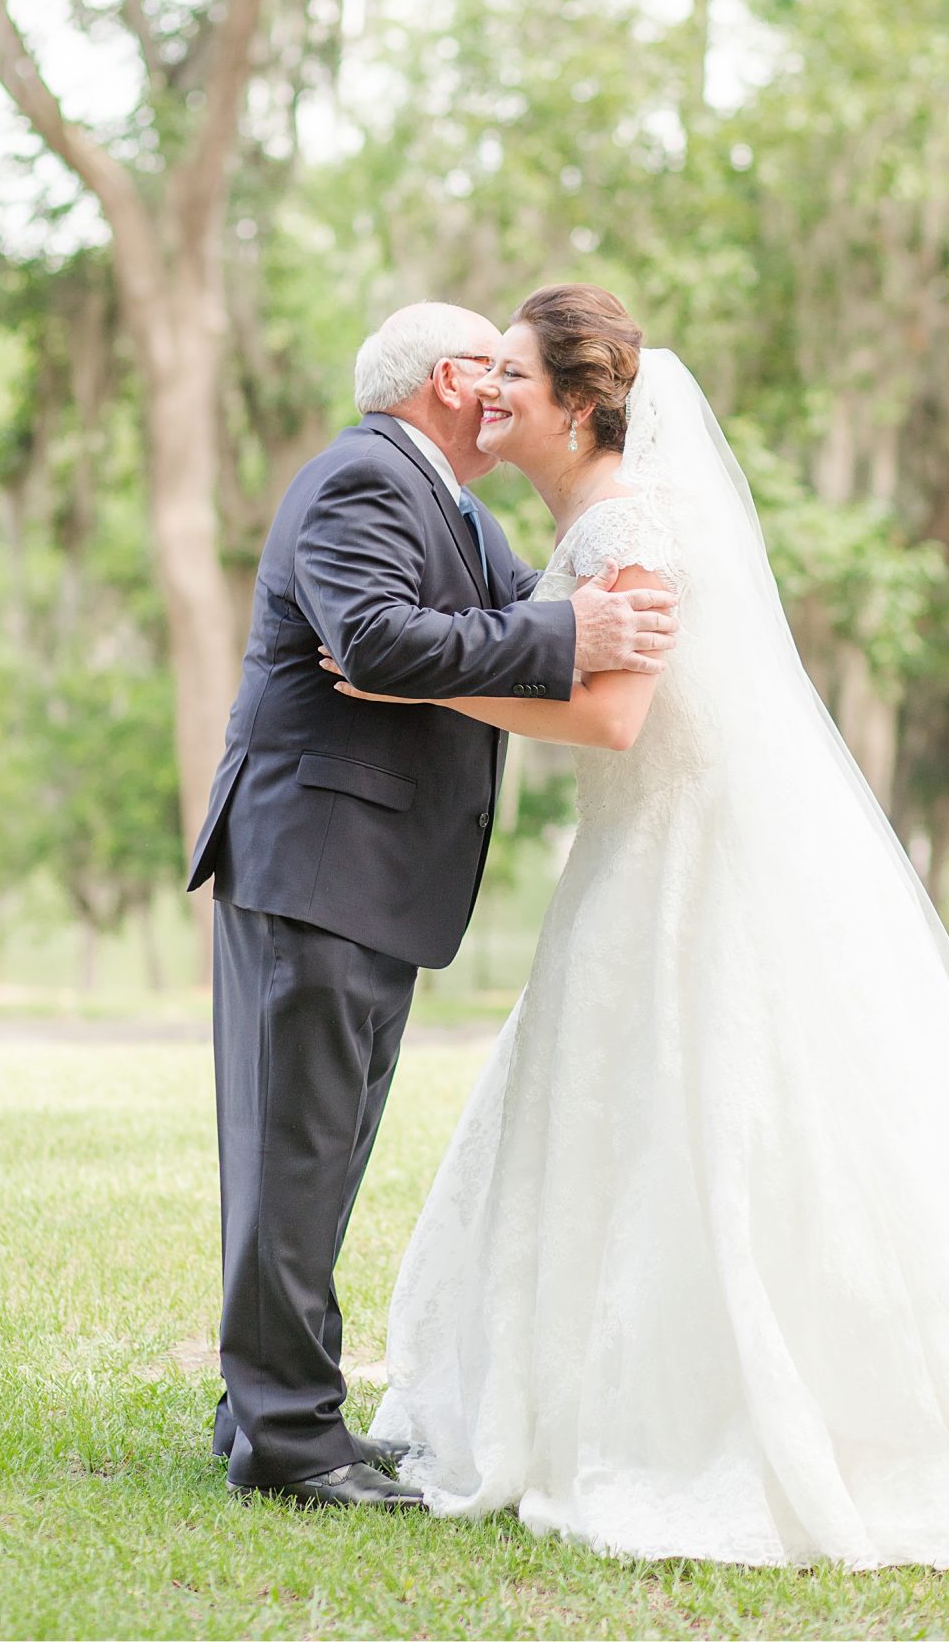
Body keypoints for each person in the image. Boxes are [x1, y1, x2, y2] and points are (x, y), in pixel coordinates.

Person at [327, 283, 949, 1568]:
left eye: (512, 373)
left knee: (715, 1116)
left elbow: (613, 720)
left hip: (687, 856)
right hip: (639, 849)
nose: (489, 391)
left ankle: (733, 1421)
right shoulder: (589, 513)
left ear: (579, 400)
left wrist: (436, 691)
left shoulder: (626, 519)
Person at [185, 300, 680, 1511]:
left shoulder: (454, 506)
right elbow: (378, 638)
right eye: (495, 368)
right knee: (292, 1157)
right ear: (453, 376)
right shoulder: (362, 477)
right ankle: (292, 1443)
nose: (505, 387)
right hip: (315, 862)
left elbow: (504, 622)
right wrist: (574, 628)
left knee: (318, 1160)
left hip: (370, 876)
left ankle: (263, 1409)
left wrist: (582, 614)